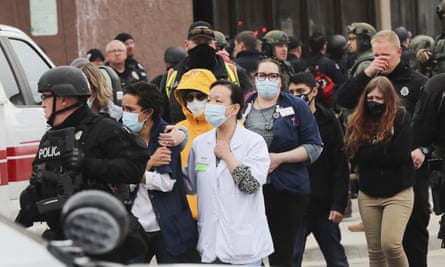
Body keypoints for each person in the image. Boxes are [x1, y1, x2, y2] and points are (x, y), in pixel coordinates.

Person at [14, 66, 150, 263]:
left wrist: (88, 163)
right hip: (64, 238)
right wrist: (25, 212)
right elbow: (45, 179)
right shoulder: (50, 137)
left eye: (45, 97)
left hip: (102, 237)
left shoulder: (104, 129)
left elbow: (134, 169)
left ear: (64, 99)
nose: (42, 104)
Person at [335, 30, 429, 265]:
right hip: (374, 172)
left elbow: (432, 122)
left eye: (385, 55)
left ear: (399, 52)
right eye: (376, 55)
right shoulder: (369, 82)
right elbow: (343, 100)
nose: (380, 59)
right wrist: (367, 72)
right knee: (378, 248)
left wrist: (424, 149)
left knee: (412, 235)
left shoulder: (417, 83)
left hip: (411, 167)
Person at [242, 58, 323, 266]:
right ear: (255, 78)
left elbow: (314, 146)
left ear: (281, 80)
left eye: (273, 76)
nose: (266, 80)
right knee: (250, 251)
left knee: (283, 253)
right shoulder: (244, 106)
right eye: (262, 75)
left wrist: (279, 159)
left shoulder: (296, 106)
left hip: (287, 188)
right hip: (250, 190)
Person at [184, 79, 273, 265]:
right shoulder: (200, 144)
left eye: (218, 101)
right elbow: (189, 185)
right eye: (209, 100)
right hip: (210, 243)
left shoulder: (253, 142)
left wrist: (227, 156)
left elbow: (251, 185)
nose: (210, 106)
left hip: (244, 245)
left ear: (234, 109)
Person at [122, 82, 197, 263]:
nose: (125, 114)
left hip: (168, 228)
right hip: (133, 229)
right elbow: (118, 181)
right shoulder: (120, 135)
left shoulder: (167, 136)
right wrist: (150, 164)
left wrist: (133, 174)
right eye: (123, 108)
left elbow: (166, 183)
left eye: (130, 109)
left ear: (148, 113)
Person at [344, 76, 414, 267]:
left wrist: (367, 153)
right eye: (370, 98)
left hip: (398, 192)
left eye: (379, 98)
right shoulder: (358, 120)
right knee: (375, 253)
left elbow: (399, 154)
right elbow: (352, 153)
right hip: (369, 193)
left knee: (391, 244)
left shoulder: (401, 117)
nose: (373, 102)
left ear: (389, 99)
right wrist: (383, 150)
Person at [288, 72, 349, 267]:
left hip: (324, 204)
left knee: (336, 258)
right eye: (292, 92)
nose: (297, 96)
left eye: (301, 91)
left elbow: (340, 163)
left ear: (314, 91)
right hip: (294, 203)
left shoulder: (328, 120)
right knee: (290, 257)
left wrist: (339, 204)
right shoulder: (285, 121)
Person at [160, 20, 253, 124]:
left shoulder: (233, 73)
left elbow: (249, 108)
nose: (202, 47)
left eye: (207, 43)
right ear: (186, 45)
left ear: (215, 45)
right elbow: (163, 117)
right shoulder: (172, 77)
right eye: (197, 43)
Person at [307, 32, 345, 109]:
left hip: (309, 102)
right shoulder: (329, 64)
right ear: (325, 46)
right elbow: (340, 83)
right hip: (326, 104)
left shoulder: (304, 62)